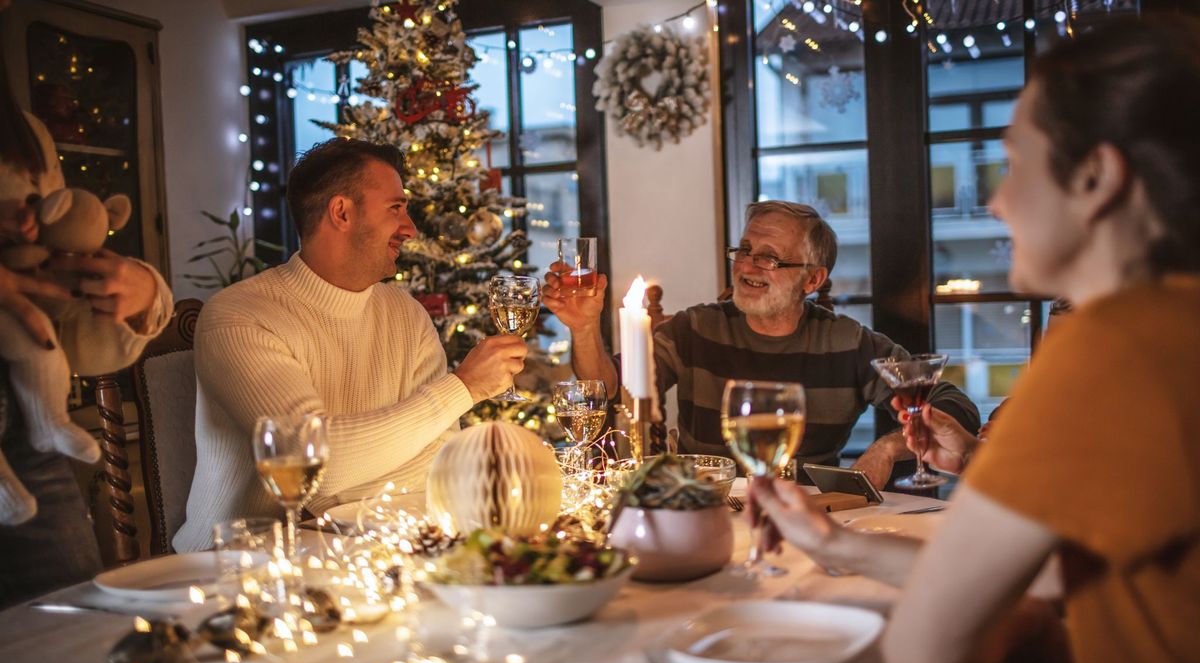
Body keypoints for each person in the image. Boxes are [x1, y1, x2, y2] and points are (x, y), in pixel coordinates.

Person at [754, 15, 1200, 663]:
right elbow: (1053, 573)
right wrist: (835, 542)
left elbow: (924, 647)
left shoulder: (1110, 348)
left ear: (1095, 178)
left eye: (1016, 162)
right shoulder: (1175, 325)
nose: (997, 202)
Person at [173, 138, 528, 552]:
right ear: (341, 212)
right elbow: (310, 464)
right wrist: (463, 387)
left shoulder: (405, 313)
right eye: (396, 208)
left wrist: (354, 489)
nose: (410, 228)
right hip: (238, 566)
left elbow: (434, 457)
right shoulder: (240, 316)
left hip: (367, 548)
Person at [543, 200, 979, 488]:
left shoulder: (851, 344)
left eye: (769, 257)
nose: (749, 265)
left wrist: (887, 449)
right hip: (706, 512)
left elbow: (952, 407)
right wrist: (583, 328)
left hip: (805, 519)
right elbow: (609, 393)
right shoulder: (694, 329)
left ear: (812, 279)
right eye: (745, 249)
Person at [0, 36, 172, 607]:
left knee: (72, 633)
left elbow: (61, 310)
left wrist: (143, 293)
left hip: (32, 433)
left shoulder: (25, 136)